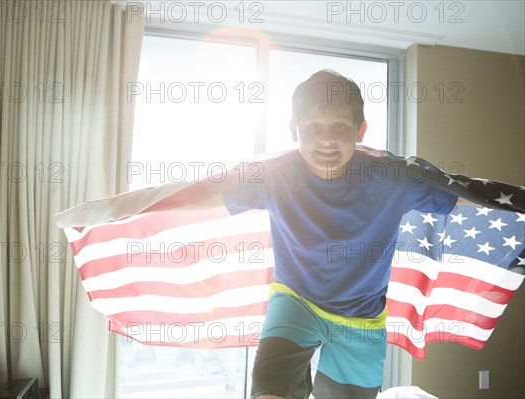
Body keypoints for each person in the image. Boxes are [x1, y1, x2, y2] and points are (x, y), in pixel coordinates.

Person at [185, 70, 471, 399]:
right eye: (313, 127)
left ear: (360, 130)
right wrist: (138, 207)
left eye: (339, 127)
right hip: (296, 302)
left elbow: (464, 194)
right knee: (269, 390)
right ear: (295, 130)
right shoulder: (275, 176)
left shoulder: (391, 179)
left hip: (361, 316)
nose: (327, 140)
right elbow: (208, 196)